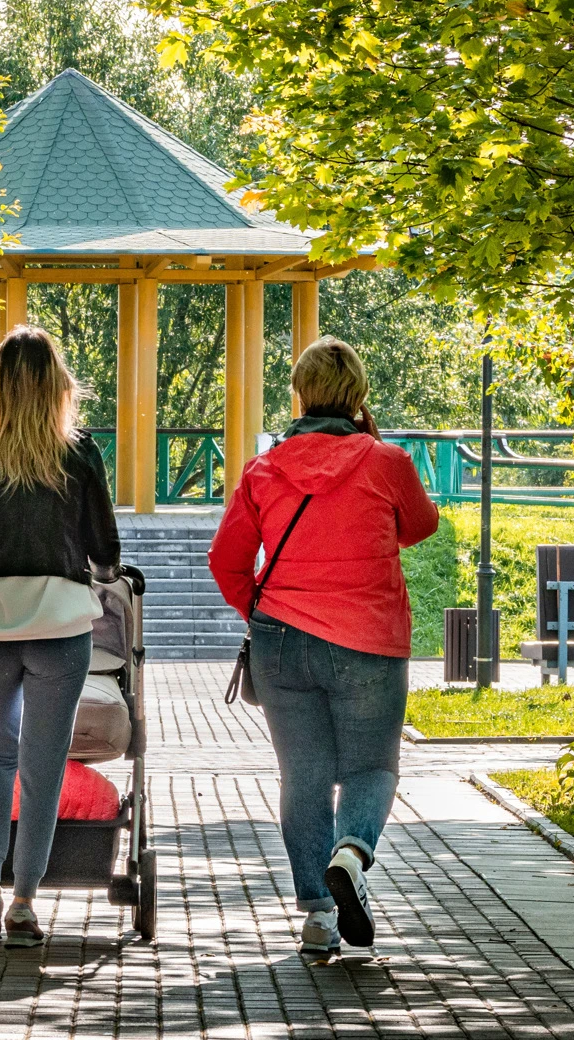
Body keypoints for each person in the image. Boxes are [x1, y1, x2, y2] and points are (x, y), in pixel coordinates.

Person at [207, 336, 438, 959]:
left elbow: (225, 559)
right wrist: (373, 440)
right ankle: (352, 852)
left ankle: (316, 915)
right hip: (367, 639)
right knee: (370, 767)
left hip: (281, 640)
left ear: (300, 395)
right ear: (359, 397)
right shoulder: (385, 461)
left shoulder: (264, 469)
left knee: (303, 776)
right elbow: (420, 524)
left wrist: (259, 607)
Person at [0, 326, 120, 948]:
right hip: (61, 626)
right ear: (59, 387)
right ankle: (23, 903)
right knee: (43, 765)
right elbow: (105, 550)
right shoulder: (80, 454)